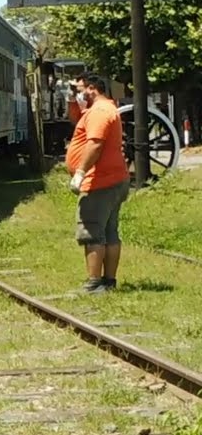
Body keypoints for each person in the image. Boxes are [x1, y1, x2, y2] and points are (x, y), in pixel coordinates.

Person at [65, 72, 131, 293]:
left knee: (92, 230)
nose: (78, 93)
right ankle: (109, 283)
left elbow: (95, 143)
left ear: (92, 88)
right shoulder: (100, 110)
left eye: (79, 89)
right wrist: (72, 100)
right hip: (113, 179)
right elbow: (77, 120)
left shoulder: (100, 112)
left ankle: (94, 284)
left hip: (100, 181)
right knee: (109, 232)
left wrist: (80, 172)